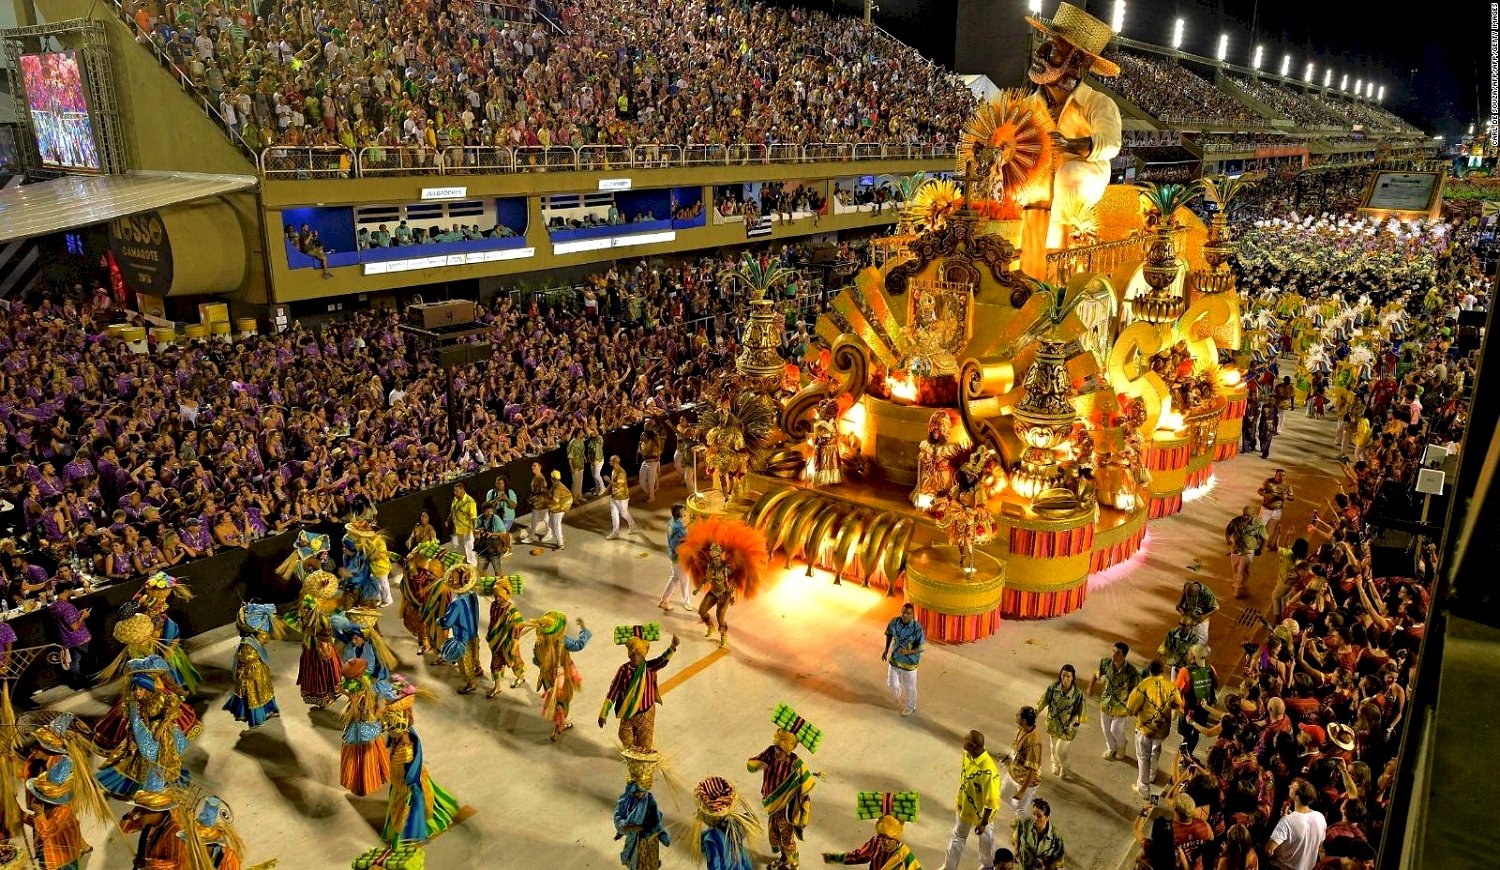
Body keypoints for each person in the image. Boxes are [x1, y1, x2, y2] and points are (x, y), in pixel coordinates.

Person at [1023, 1, 1123, 249]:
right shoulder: (1028, 106)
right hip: (1042, 179)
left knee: (1069, 174)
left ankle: (1059, 249)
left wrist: (1069, 145)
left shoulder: (1098, 103)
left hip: (1084, 173)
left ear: (1077, 61)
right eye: (1044, 44)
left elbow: (1111, 144)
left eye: (1053, 50)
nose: (1040, 53)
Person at [24, 713, 112, 870]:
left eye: (37, 745)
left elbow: (49, 830)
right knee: (66, 829)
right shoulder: (37, 763)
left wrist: (39, 814)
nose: (32, 749)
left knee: (65, 829)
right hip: (50, 804)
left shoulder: (62, 765)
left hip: (57, 809)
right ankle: (82, 847)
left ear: (48, 749)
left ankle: (81, 847)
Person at [747, 709, 820, 870]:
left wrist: (804, 814)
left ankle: (794, 864)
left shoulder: (797, 765)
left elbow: (805, 791)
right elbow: (754, 762)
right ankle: (784, 859)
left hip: (787, 810)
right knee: (775, 836)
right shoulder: (770, 752)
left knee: (787, 840)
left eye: (781, 750)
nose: (777, 752)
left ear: (789, 749)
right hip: (772, 806)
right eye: (776, 747)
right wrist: (755, 765)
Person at [599, 629, 681, 752]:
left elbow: (662, 660)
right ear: (629, 655)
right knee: (625, 736)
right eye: (633, 654)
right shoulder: (623, 670)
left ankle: (642, 759)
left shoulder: (649, 667)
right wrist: (603, 713)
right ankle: (633, 753)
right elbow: (613, 691)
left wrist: (672, 646)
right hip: (628, 713)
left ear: (643, 656)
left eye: (639, 654)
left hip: (646, 713)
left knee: (645, 741)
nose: (635, 657)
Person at [939, 730, 999, 870]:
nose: (963, 740)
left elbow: (991, 802)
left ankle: (988, 865)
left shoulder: (989, 772)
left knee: (985, 840)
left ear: (972, 746)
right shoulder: (967, 755)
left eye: (965, 740)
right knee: (958, 836)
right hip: (965, 807)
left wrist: (983, 823)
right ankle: (949, 867)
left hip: (983, 814)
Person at [1125, 658, 1182, 800]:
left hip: (1145, 729)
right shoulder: (1170, 686)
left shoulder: (1143, 685)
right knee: (1155, 751)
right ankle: (1152, 775)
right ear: (1163, 670)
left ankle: (1144, 789)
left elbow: (1130, 708)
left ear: (1149, 670)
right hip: (1162, 729)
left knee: (1143, 758)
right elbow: (1178, 705)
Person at [533, 610, 591, 741]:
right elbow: (579, 645)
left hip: (547, 678)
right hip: (562, 678)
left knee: (554, 700)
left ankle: (557, 721)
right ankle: (559, 725)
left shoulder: (538, 644)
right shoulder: (563, 641)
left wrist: (547, 666)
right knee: (563, 702)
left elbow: (536, 661)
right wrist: (584, 630)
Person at [223, 603, 282, 729]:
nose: (266, 638)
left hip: (255, 671)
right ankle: (261, 713)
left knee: (259, 691)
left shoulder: (250, 642)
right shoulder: (249, 642)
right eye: (264, 634)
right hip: (254, 672)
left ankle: (264, 711)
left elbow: (247, 657)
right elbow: (245, 657)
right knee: (257, 692)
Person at [615, 749, 671, 870]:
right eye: (638, 792)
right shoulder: (628, 799)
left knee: (643, 864)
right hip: (633, 836)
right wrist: (621, 829)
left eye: (643, 792)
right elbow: (622, 814)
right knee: (633, 862)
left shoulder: (650, 802)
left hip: (646, 840)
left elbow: (655, 822)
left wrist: (639, 828)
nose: (641, 795)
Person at [1089, 641, 1141, 762]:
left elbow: (1136, 689)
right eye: (1113, 652)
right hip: (1106, 701)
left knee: (1116, 729)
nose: (1114, 655)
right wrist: (1090, 687)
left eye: (1117, 653)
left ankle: (1121, 747)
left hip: (1122, 704)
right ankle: (1111, 747)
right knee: (1106, 728)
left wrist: (1134, 706)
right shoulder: (1105, 663)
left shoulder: (1132, 671)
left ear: (1124, 655)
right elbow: (1096, 675)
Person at [693, 776, 756, 870]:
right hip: (743, 865)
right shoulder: (737, 823)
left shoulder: (711, 839)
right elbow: (750, 819)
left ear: (707, 816)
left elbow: (714, 866)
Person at [439, 564, 483, 695]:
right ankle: (478, 668)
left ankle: (471, 683)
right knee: (475, 654)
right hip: (474, 633)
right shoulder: (473, 595)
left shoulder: (455, 603)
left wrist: (439, 620)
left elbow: (447, 622)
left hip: (462, 638)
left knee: (465, 663)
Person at [1035, 665, 1085, 778]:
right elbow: (1044, 701)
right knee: (1053, 747)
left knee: (1060, 750)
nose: (1065, 678)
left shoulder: (1077, 694)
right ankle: (1055, 763)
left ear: (1073, 678)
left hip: (1068, 727)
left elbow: (1080, 711)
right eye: (1063, 675)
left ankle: (1065, 766)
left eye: (1068, 676)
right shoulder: (1053, 688)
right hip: (1053, 724)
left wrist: (1074, 722)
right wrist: (1037, 712)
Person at [120, 786, 187, 869]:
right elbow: (124, 830)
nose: (138, 814)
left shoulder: (174, 830)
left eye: (142, 810)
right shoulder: (147, 823)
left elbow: (177, 864)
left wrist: (147, 864)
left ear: (155, 810)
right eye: (137, 809)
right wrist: (130, 815)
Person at [1266, 779, 1326, 870]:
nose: (1289, 786)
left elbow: (1268, 850)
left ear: (1297, 797)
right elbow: (1319, 846)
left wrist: (1272, 858)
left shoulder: (1287, 821)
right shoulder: (1320, 817)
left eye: (1292, 787)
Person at [998, 707, 1043, 820]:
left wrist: (1022, 791)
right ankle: (1020, 809)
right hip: (1014, 771)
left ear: (1023, 720)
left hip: (1027, 780)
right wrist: (1009, 758)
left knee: (1021, 809)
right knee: (1003, 795)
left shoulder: (1034, 743)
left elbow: (1032, 771)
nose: (1016, 715)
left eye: (1018, 714)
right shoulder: (1022, 728)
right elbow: (1017, 747)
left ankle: (1025, 823)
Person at [1173, 644, 1218, 758]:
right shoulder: (1210, 669)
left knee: (1185, 735)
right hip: (1204, 709)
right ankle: (1189, 753)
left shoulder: (1185, 671)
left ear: (1192, 656)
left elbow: (1176, 691)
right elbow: (1216, 685)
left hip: (1188, 711)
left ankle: (1184, 756)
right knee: (1196, 732)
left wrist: (1175, 709)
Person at [883, 603, 926, 717]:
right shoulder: (895, 622)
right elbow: (889, 634)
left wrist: (908, 652)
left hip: (909, 662)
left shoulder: (917, 629)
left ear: (913, 615)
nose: (905, 615)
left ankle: (911, 707)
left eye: (908, 613)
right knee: (891, 683)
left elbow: (921, 648)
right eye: (903, 612)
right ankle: (899, 696)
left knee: (910, 687)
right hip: (895, 659)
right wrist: (886, 650)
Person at [485, 576, 526, 698]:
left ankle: (520, 677)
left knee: (514, 661)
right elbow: (492, 620)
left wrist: (514, 642)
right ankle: (497, 687)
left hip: (508, 642)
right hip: (496, 641)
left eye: (500, 596)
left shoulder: (512, 611)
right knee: (495, 663)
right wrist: (489, 633)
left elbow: (519, 626)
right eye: (496, 596)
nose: (497, 599)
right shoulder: (494, 605)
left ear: (507, 594)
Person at [49, 582, 91, 688]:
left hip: (67, 639)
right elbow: (75, 627)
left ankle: (78, 683)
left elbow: (64, 621)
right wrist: (84, 616)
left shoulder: (54, 606)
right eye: (71, 590)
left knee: (75, 660)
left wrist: (78, 613)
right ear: (65, 591)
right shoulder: (66, 607)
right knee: (83, 660)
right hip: (79, 638)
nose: (72, 591)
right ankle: (84, 681)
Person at [1224, 505, 1267, 599]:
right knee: (1236, 569)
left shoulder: (1258, 524)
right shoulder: (1236, 521)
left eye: (1248, 515)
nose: (1246, 517)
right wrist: (1228, 539)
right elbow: (1228, 530)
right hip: (1235, 550)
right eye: (1244, 515)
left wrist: (1260, 549)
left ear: (1253, 515)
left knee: (1241, 569)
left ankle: (1238, 589)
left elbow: (1263, 538)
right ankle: (1239, 584)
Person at [1011, 798, 1064, 870]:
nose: (1035, 818)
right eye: (1033, 814)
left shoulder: (1055, 835)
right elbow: (1016, 838)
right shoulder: (1024, 824)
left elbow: (1058, 861)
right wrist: (1016, 850)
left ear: (1047, 817)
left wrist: (1046, 867)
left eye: (1039, 816)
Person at [657, 503, 692, 612]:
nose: (686, 513)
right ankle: (686, 602)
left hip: (673, 556)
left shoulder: (671, 523)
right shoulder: (680, 529)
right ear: (680, 514)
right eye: (684, 512)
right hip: (680, 557)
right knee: (685, 580)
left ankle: (664, 601)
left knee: (675, 578)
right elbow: (687, 538)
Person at [1170, 794, 1214, 870]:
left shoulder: (1170, 831)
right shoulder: (1204, 825)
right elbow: (1211, 838)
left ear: (1174, 808)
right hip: (1200, 866)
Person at [1258, 469, 1295, 546]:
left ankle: (1267, 544)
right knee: (1260, 526)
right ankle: (1256, 542)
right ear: (1275, 475)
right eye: (1279, 475)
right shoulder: (1268, 482)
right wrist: (1266, 495)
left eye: (1283, 476)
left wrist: (1287, 497)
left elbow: (1292, 497)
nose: (1281, 477)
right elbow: (1259, 491)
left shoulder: (1288, 485)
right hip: (1266, 509)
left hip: (1278, 510)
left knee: (1272, 529)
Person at [1176, 580, 1219, 648]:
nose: (1190, 598)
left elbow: (1215, 608)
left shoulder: (1207, 594)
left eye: (1192, 596)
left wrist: (1204, 616)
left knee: (1201, 641)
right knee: (1185, 638)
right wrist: (1181, 607)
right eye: (1188, 596)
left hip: (1201, 620)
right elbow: (1181, 600)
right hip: (1188, 619)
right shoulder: (1187, 588)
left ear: (1197, 593)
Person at [607, 455, 639, 540]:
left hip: (622, 497)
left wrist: (608, 481)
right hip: (614, 496)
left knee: (624, 513)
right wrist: (607, 489)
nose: (609, 463)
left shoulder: (621, 473)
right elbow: (613, 482)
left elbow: (619, 485)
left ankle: (632, 525)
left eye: (611, 461)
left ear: (615, 463)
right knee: (614, 514)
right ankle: (615, 532)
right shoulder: (614, 470)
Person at [475, 502, 507, 576]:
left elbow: (503, 533)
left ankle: (499, 581)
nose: (490, 513)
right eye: (487, 511)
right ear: (483, 511)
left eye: (491, 511)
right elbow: (475, 530)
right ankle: (485, 581)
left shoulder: (496, 519)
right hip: (483, 547)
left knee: (497, 569)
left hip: (494, 547)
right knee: (481, 569)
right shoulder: (480, 518)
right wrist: (478, 531)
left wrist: (492, 534)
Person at [449, 482, 478, 565]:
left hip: (467, 530)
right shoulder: (455, 499)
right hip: (458, 529)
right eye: (454, 491)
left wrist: (474, 529)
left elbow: (473, 518)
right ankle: (465, 564)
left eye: (456, 491)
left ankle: (473, 566)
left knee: (469, 549)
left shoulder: (470, 502)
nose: (455, 493)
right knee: (460, 547)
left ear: (462, 491)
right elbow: (453, 510)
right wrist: (448, 519)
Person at [526, 462, 552, 543]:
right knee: (535, 519)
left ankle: (549, 532)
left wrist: (533, 499)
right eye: (532, 465)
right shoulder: (536, 477)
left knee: (545, 518)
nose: (532, 467)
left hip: (541, 502)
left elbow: (543, 492)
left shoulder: (541, 479)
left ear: (539, 467)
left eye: (534, 466)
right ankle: (532, 536)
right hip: (537, 502)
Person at [638, 419, 663, 502]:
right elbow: (641, 445)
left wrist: (658, 457)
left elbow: (659, 446)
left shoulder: (655, 436)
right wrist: (640, 449)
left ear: (651, 427)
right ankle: (649, 493)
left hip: (653, 461)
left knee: (651, 481)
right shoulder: (642, 434)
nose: (645, 427)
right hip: (645, 461)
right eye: (644, 426)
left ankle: (652, 497)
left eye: (647, 426)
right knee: (641, 480)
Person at [548, 469, 573, 550]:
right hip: (558, 507)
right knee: (550, 523)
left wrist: (546, 500)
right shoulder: (556, 485)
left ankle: (560, 544)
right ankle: (561, 538)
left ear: (552, 478)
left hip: (559, 508)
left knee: (556, 526)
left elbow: (555, 500)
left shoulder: (557, 488)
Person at [568, 429, 588, 504]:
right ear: (578, 434)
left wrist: (584, 457)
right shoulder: (572, 443)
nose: (583, 433)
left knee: (580, 481)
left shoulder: (581, 441)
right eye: (581, 432)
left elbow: (582, 451)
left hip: (581, 464)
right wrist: (571, 468)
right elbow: (570, 457)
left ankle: (579, 496)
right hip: (575, 465)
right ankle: (574, 498)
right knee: (575, 483)